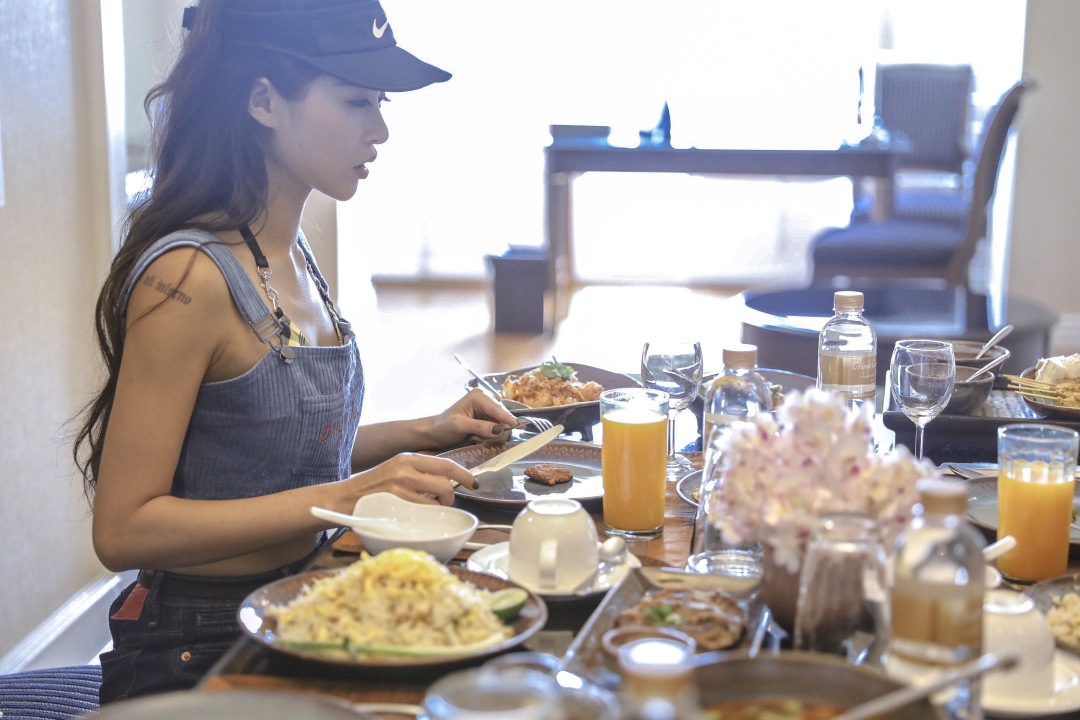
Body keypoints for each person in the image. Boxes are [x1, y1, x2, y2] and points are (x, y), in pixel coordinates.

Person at [71, 0, 516, 703]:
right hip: (200, 646)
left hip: (306, 598)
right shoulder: (187, 277)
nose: (380, 129)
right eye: (355, 101)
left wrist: (427, 431)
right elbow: (124, 529)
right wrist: (345, 498)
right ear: (263, 102)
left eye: (380, 103)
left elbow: (278, 457)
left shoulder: (291, 250)